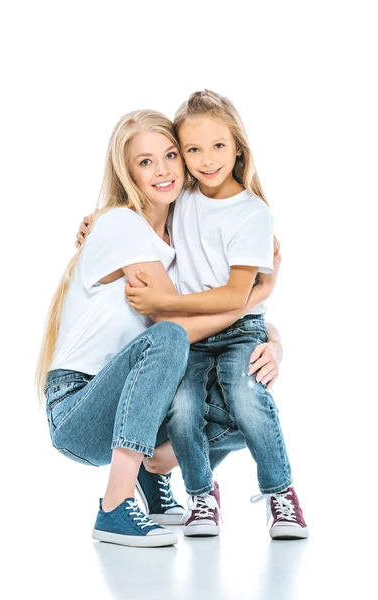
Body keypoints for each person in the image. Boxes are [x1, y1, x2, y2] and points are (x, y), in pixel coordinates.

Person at [37, 109, 279, 548]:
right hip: (80, 406)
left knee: (250, 408)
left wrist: (273, 339)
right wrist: (256, 296)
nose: (163, 169)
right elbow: (177, 326)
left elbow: (209, 317)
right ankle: (115, 505)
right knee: (169, 338)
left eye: (170, 155)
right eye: (145, 161)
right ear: (126, 171)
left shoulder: (181, 237)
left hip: (129, 403)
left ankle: (155, 471)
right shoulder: (120, 225)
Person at [126, 90, 308, 540]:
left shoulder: (251, 213)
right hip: (188, 335)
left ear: (239, 147)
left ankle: (281, 494)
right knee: (185, 410)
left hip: (238, 328)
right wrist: (97, 222)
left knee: (246, 397)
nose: (207, 160)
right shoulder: (181, 197)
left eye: (219, 146)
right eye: (192, 149)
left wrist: (164, 305)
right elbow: (136, 215)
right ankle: (202, 496)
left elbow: (233, 297)